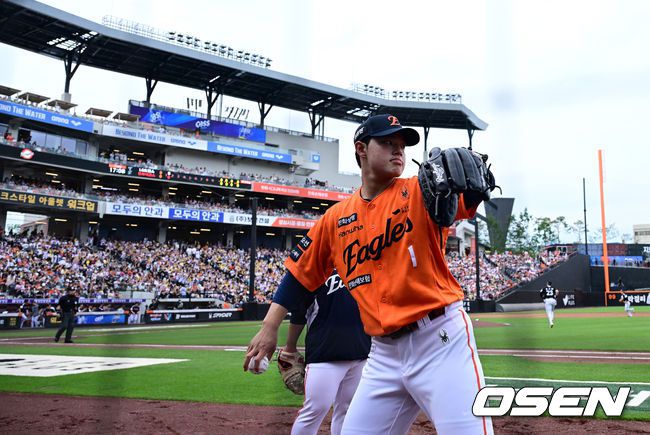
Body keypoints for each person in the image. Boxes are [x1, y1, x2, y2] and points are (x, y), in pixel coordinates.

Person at [245, 114, 494, 435]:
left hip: (439, 341)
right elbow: (298, 276)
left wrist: (473, 190)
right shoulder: (335, 218)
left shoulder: (421, 191)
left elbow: (463, 199)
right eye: (388, 142)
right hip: (382, 355)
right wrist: (269, 327)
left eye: (402, 144)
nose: (399, 150)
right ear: (361, 149)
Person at [277, 271, 370, 435]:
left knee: (348, 411)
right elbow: (299, 315)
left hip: (361, 352)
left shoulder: (362, 265)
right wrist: (290, 347)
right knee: (314, 410)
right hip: (324, 355)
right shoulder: (317, 269)